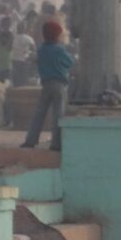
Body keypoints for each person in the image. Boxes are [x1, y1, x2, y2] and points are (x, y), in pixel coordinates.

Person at [20, 20, 73, 151]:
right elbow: (70, 62)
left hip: (46, 84)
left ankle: (30, 140)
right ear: (56, 35)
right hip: (60, 84)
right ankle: (56, 143)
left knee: (39, 112)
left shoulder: (42, 49)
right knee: (58, 114)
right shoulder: (59, 49)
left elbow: (36, 62)